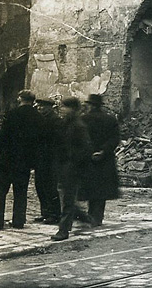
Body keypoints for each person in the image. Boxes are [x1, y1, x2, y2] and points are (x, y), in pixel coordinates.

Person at [0, 90, 42, 230]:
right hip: (24, 161)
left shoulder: (13, 114)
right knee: (20, 192)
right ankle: (18, 222)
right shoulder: (38, 117)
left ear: (20, 99)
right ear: (32, 101)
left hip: (7, 159)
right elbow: (38, 142)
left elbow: (2, 137)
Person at [51, 97, 93, 241]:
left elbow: (86, 149)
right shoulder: (66, 123)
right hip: (63, 166)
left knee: (67, 199)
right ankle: (83, 217)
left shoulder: (78, 125)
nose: (62, 109)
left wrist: (73, 162)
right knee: (66, 198)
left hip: (71, 168)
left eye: (65, 107)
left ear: (73, 109)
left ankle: (63, 230)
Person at [79, 94, 121, 226]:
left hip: (88, 159)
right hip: (105, 159)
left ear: (91, 105)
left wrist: (90, 152)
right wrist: (103, 151)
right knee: (101, 190)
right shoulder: (110, 120)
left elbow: (81, 139)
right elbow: (115, 139)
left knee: (90, 187)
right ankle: (97, 217)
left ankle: (90, 216)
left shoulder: (83, 119)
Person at [34, 98, 62, 224]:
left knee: (50, 186)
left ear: (50, 107)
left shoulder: (56, 121)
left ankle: (54, 214)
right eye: (39, 106)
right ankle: (45, 212)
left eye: (43, 107)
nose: (40, 109)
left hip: (51, 159)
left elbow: (57, 142)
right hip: (41, 158)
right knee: (40, 185)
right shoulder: (41, 119)